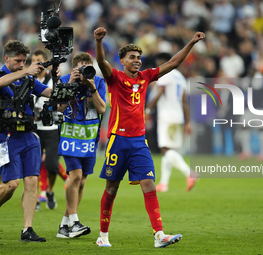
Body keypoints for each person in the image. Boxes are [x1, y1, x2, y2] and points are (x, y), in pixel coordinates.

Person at [94, 26, 205, 248]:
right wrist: (98, 42)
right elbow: (101, 62)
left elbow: (173, 63)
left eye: (139, 57)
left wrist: (191, 43)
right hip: (118, 140)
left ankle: (159, 234)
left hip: (139, 141)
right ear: (122, 61)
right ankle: (103, 235)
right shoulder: (114, 78)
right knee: (111, 189)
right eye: (132, 57)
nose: (137, 61)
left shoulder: (146, 77)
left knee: (150, 185)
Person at [0, 40, 52, 242]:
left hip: (29, 136)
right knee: (11, 185)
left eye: (24, 61)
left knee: (32, 181)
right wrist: (27, 71)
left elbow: (48, 92)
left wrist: (65, 86)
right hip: (6, 136)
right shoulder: (6, 75)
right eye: (18, 61)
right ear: (7, 58)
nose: (22, 64)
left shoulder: (28, 79)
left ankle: (27, 230)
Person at [56, 52, 106, 239]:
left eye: (88, 65)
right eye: (81, 66)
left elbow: (101, 109)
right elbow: (59, 108)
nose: (85, 69)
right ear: (74, 67)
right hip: (70, 135)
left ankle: (64, 225)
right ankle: (75, 221)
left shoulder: (99, 82)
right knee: (75, 176)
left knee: (82, 182)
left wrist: (91, 86)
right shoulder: (63, 80)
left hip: (89, 137)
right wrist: (70, 83)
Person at [145, 52, 197, 192]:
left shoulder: (165, 75)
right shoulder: (180, 77)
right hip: (178, 116)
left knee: (165, 148)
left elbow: (159, 93)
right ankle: (164, 184)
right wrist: (188, 121)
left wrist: (148, 111)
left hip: (167, 116)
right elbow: (185, 101)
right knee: (168, 149)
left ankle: (190, 173)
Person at [32, 49, 64, 210]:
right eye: (34, 60)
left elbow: (59, 98)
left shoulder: (53, 80)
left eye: (39, 60)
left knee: (52, 165)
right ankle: (37, 196)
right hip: (34, 128)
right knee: (34, 165)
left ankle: (49, 190)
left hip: (51, 127)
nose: (36, 63)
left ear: (45, 62)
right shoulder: (27, 80)